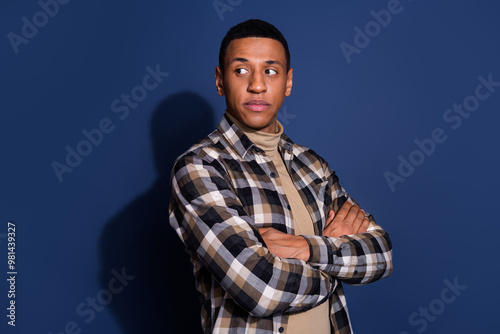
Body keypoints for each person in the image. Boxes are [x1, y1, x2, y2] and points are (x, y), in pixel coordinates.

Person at [169, 19, 393, 334]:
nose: (257, 85)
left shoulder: (312, 166)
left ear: (288, 82)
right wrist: (334, 255)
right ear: (220, 80)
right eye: (241, 70)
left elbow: (380, 253)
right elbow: (259, 289)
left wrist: (306, 248)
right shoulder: (199, 168)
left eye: (270, 71)